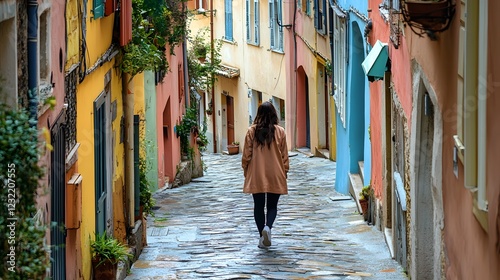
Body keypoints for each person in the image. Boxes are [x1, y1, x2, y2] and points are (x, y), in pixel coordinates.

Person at [241, 101, 289, 249]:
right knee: (273, 206)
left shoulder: (251, 131)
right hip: (275, 172)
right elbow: (284, 156)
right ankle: (268, 227)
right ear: (274, 114)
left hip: (257, 173)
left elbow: (246, 155)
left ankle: (262, 237)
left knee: (258, 206)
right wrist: (285, 171)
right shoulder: (280, 131)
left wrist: (245, 169)